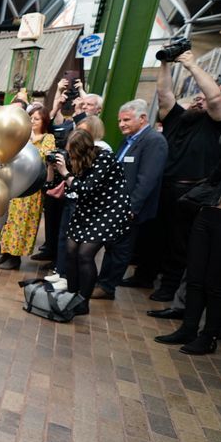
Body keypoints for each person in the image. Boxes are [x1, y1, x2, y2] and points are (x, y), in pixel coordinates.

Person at [128, 51, 221, 299]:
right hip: (163, 187)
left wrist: (191, 64)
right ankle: (143, 276)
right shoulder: (178, 118)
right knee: (152, 235)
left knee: (178, 243)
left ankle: (169, 287)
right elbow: (164, 95)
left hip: (190, 191)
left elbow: (214, 97)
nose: (200, 100)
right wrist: (164, 63)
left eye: (203, 98)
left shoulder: (215, 122)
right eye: (196, 97)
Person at [92, 99, 168, 300]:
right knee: (111, 245)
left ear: (143, 118)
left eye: (126, 120)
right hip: (114, 205)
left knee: (121, 249)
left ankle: (107, 287)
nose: (121, 124)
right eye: (119, 121)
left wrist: (131, 208)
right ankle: (103, 281)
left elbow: (147, 180)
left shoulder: (154, 141)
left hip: (128, 208)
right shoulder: (128, 140)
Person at [50, 129, 131, 315]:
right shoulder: (78, 160)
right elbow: (52, 187)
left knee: (85, 254)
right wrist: (52, 169)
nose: (70, 156)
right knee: (71, 250)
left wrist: (65, 172)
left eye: (72, 152)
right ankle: (71, 295)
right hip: (87, 208)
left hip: (108, 211)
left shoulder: (105, 158)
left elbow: (85, 188)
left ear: (83, 150)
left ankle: (83, 302)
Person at [153, 160, 221, 354]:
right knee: (194, 276)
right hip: (209, 209)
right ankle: (188, 329)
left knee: (215, 283)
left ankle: (208, 337)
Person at [0, 104, 53, 269]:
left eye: (36, 119)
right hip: (15, 184)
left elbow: (43, 158)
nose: (32, 121)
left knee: (22, 224)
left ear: (44, 121)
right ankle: (4, 253)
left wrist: (31, 143)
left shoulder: (47, 138)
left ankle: (15, 258)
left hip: (31, 188)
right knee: (8, 221)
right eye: (30, 119)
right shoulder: (22, 136)